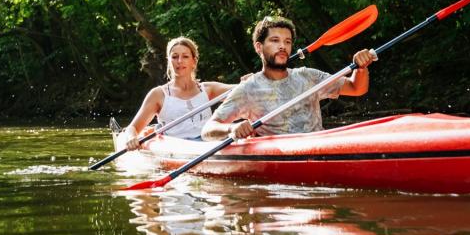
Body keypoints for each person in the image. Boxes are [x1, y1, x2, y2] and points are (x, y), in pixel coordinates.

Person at [202, 16, 376, 141]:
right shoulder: (248, 89)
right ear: (259, 47)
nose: (282, 46)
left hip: (320, 145)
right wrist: (232, 128)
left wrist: (361, 68)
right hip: (282, 156)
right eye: (275, 40)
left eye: (287, 41)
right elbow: (208, 129)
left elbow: (356, 88)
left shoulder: (308, 76)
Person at [122, 36, 238, 150]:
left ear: (194, 61)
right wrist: (131, 137)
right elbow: (132, 128)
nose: (180, 61)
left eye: (185, 56)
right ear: (169, 61)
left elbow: (242, 90)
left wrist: (251, 80)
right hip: (177, 149)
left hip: (208, 144)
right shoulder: (158, 95)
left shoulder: (208, 89)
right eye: (175, 57)